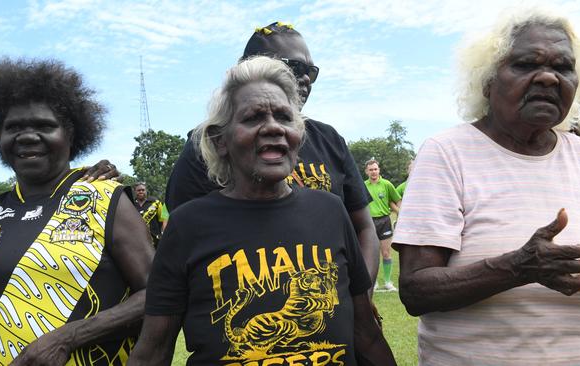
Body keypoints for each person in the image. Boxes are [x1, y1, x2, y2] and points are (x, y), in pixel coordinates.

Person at [128, 56, 396, 366]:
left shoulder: (330, 211)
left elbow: (366, 334)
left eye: (284, 117)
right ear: (220, 141)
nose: (273, 127)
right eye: (254, 117)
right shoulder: (188, 225)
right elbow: (153, 351)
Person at [393, 9, 580, 365]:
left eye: (563, 67)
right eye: (526, 64)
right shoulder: (447, 154)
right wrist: (519, 266)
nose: (547, 77)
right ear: (487, 80)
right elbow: (416, 289)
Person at [0, 57, 155, 366]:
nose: (28, 135)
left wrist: (67, 338)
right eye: (14, 127)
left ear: (70, 134)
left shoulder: (106, 198)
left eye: (44, 126)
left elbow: (159, 293)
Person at [165, 21, 381, 288]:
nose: (304, 78)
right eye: (294, 67)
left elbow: (363, 227)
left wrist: (361, 296)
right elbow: (186, 233)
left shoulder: (329, 140)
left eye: (311, 71)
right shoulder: (210, 143)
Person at [363, 160, 401, 292]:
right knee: (371, 254)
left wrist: (400, 213)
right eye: (371, 169)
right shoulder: (362, 185)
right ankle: (374, 282)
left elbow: (397, 199)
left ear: (379, 170)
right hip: (368, 222)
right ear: (366, 171)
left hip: (384, 221)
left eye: (375, 169)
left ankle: (388, 282)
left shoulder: (387, 184)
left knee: (386, 253)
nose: (373, 172)